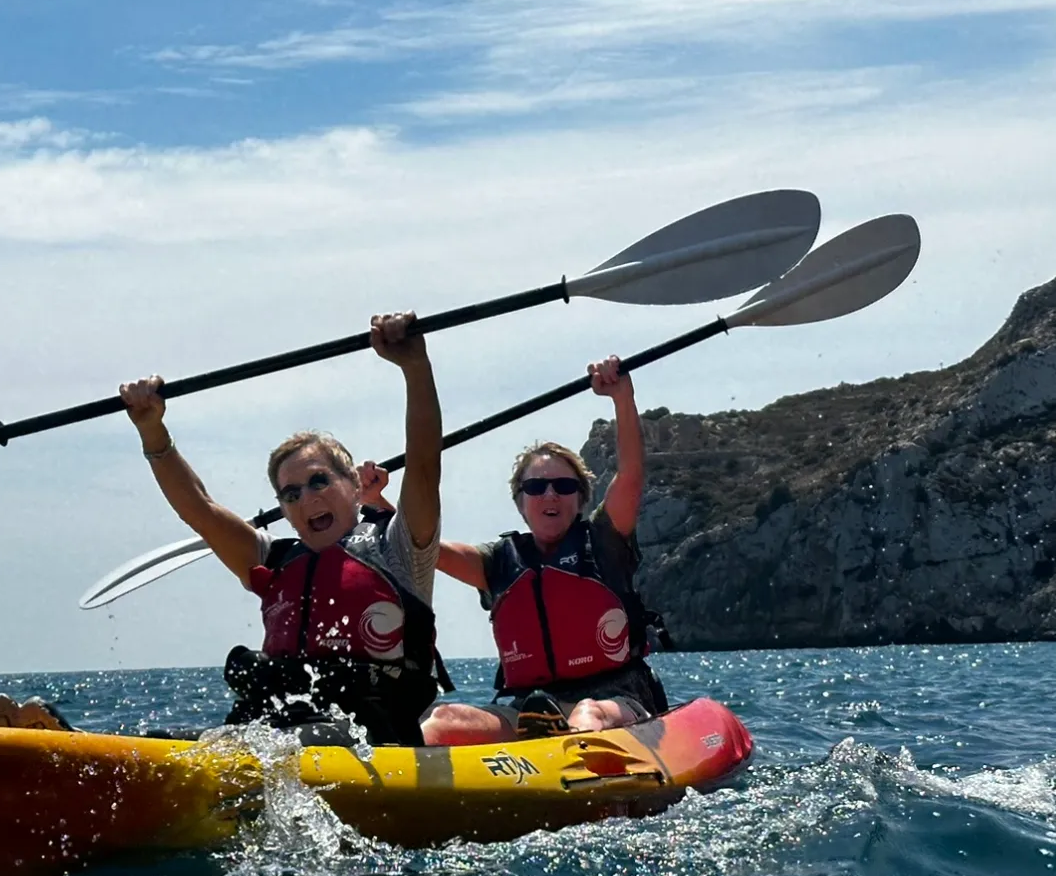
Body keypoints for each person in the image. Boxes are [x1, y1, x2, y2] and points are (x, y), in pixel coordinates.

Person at [116, 313, 444, 745]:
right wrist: (152, 430)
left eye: (319, 481)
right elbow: (201, 509)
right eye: (290, 494)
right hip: (276, 731)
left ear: (354, 485)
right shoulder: (272, 560)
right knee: (160, 742)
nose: (306, 499)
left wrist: (414, 367)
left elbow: (423, 465)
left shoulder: (398, 548)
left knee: (255, 748)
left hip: (374, 740)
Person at [418, 356, 667, 745]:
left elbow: (631, 476)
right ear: (520, 503)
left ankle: (569, 758)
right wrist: (378, 506)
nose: (550, 494)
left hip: (614, 698)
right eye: (536, 488)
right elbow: (421, 544)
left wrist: (622, 397)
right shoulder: (497, 561)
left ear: (581, 499)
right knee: (444, 718)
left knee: (588, 713)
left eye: (564, 487)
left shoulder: (603, 541)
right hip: (529, 708)